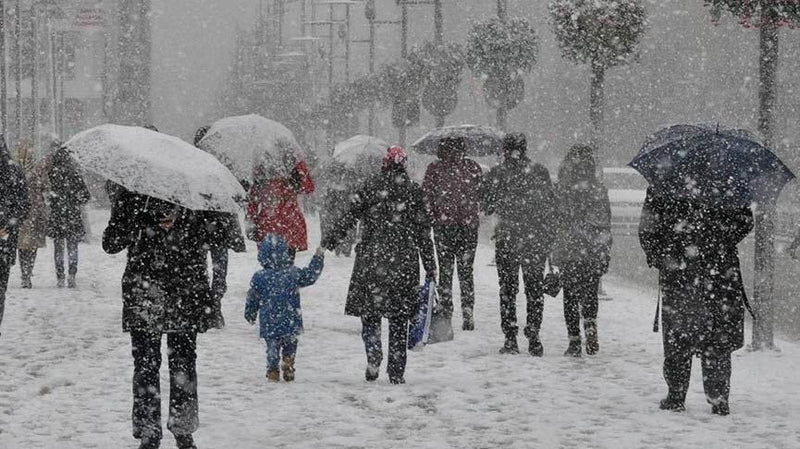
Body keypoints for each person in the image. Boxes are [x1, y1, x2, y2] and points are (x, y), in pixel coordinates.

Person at [103, 187, 228, 449]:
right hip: (145, 291)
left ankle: (181, 429)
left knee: (181, 363)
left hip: (184, 291)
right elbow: (110, 243)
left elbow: (216, 239)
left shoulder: (195, 196)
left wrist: (182, 223)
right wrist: (141, 223)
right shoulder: (133, 195)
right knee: (147, 364)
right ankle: (150, 430)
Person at [322, 145, 436, 384]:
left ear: (384, 164)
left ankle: (373, 354)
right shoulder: (414, 192)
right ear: (403, 166)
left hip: (371, 260)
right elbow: (424, 233)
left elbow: (348, 217)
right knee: (399, 318)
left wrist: (328, 242)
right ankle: (396, 371)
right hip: (404, 262)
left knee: (370, 312)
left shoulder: (370, 187)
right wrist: (430, 265)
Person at [639, 187, 752, 416]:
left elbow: (647, 229)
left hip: (679, 273)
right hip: (719, 273)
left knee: (678, 337)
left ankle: (676, 395)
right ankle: (718, 397)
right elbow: (745, 221)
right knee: (717, 337)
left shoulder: (665, 183)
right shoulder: (726, 181)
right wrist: (719, 239)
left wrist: (663, 255)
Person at [482, 133, 557, 356]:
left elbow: (486, 206)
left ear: (505, 150)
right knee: (534, 289)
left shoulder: (497, 173)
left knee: (508, 289)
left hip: (508, 238)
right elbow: (551, 205)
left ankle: (510, 337)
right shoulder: (540, 172)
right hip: (535, 239)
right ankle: (534, 335)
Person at [552, 145, 612, 357]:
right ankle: (590, 324)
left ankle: (574, 340)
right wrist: (604, 250)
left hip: (570, 249)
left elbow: (556, 222)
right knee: (590, 292)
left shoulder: (563, 190)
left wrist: (555, 250)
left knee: (570, 295)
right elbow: (605, 223)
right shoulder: (598, 190)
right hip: (593, 249)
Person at [244, 234, 325, 382]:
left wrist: (250, 313)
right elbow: (310, 276)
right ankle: (288, 362)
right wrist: (318, 258)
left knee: (272, 346)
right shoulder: (292, 273)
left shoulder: (260, 277)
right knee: (291, 342)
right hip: (291, 318)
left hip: (270, 320)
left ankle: (273, 369)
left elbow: (253, 297)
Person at [422, 136, 483, 331]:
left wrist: (433, 218)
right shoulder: (473, 167)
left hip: (444, 226)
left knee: (446, 270)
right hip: (468, 226)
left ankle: (446, 310)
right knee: (466, 271)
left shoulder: (435, 169)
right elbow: (482, 193)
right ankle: (468, 309)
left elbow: (427, 197)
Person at [193, 126, 246, 328]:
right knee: (217, 269)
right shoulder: (222, 165)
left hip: (201, 225)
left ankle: (209, 307)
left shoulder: (195, 163)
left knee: (203, 269)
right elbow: (238, 194)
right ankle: (213, 306)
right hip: (217, 225)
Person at [247, 145, 315, 262]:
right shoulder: (294, 169)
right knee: (287, 266)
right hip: (289, 223)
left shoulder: (262, 171)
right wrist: (299, 169)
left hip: (268, 225)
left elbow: (253, 202)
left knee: (269, 266)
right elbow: (309, 187)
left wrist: (251, 222)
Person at [46, 143, 90, 288]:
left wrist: (54, 200)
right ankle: (72, 274)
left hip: (57, 216)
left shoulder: (51, 174)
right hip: (72, 216)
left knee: (58, 247)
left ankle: (60, 275)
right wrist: (75, 198)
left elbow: (47, 195)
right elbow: (86, 196)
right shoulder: (74, 175)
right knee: (73, 247)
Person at [0, 135, 30, 335]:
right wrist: (8, 226)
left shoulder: (13, 172)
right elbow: (24, 207)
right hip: (4, 242)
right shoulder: (14, 172)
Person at [15, 139, 48, 289]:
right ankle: (25, 274)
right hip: (21, 211)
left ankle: (28, 272)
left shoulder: (37, 168)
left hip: (34, 212)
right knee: (22, 245)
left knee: (32, 245)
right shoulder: (13, 167)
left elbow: (46, 186)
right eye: (21, 148)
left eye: (27, 148)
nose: (24, 151)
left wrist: (39, 185)